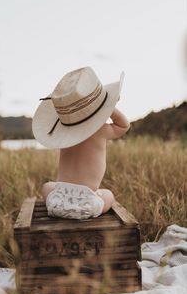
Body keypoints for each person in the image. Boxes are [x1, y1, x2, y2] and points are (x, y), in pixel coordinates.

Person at [32, 67, 130, 219]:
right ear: (100, 111)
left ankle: (63, 208)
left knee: (47, 186)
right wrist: (108, 107)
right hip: (89, 205)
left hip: (57, 202)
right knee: (108, 195)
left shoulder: (64, 136)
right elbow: (124, 125)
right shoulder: (102, 130)